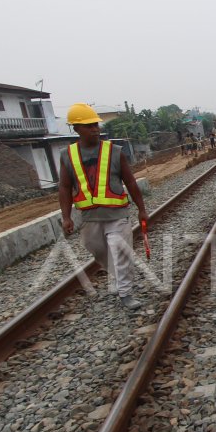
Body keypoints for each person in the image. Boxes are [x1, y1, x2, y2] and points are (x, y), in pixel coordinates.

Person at [58, 103, 149, 311]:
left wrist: (141, 208)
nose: (95, 129)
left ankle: (126, 293)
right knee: (96, 249)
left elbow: (131, 182)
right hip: (90, 217)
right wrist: (66, 217)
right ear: (76, 129)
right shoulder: (68, 155)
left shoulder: (114, 152)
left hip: (117, 213)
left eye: (96, 125)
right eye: (89, 126)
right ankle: (118, 276)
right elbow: (64, 187)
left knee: (120, 251)